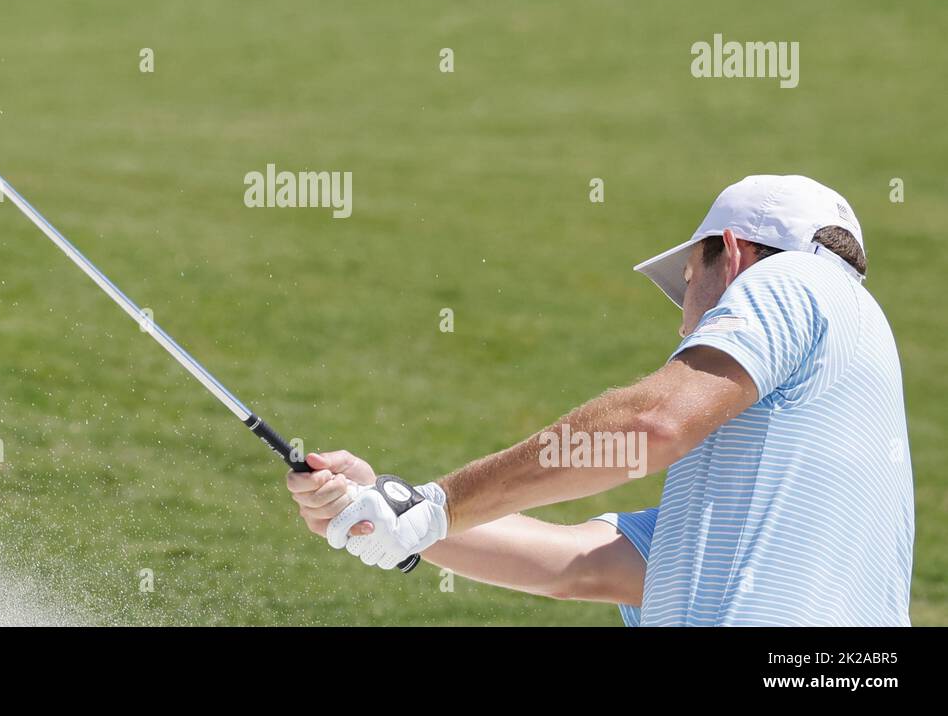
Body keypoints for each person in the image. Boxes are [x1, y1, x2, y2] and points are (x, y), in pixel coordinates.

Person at [287, 175, 914, 625]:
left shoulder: (796, 280)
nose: (684, 326)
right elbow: (576, 567)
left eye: (693, 284)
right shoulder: (779, 484)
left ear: (737, 255)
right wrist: (392, 510)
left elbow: (650, 422)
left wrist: (438, 505)